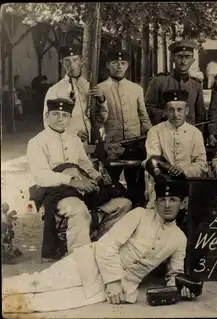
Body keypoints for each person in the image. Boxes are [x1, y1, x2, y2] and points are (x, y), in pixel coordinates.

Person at [2, 180, 197, 313]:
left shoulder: (179, 238)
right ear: (155, 203)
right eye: (162, 200)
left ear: (183, 204)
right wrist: (112, 280)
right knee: (37, 282)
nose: (168, 205)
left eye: (173, 200)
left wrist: (180, 288)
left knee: (46, 304)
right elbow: (107, 245)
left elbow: (174, 273)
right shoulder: (140, 215)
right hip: (90, 263)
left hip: (117, 288)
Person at [27, 98, 132, 259]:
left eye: (65, 115)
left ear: (70, 118)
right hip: (55, 193)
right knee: (80, 211)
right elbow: (42, 176)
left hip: (80, 190)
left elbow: (86, 165)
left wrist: (97, 179)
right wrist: (73, 181)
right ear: (47, 116)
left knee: (123, 204)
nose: (60, 118)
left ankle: (98, 242)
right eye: (55, 114)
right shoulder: (37, 142)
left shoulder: (74, 139)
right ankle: (79, 261)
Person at [98, 49, 152, 207]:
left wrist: (151, 134)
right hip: (112, 146)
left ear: (128, 65)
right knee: (110, 185)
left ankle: (137, 212)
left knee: (137, 185)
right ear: (108, 65)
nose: (119, 66)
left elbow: (143, 116)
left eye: (123, 63)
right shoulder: (100, 89)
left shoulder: (136, 89)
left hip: (135, 145)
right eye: (115, 63)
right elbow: (97, 120)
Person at [144, 89, 208, 206]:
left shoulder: (195, 133)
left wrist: (184, 170)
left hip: (187, 185)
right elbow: (153, 160)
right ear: (165, 111)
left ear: (187, 111)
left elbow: (202, 164)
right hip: (161, 185)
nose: (175, 114)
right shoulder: (155, 131)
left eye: (180, 110)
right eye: (171, 110)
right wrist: (168, 170)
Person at [43, 44, 108, 142]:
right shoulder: (55, 90)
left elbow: (103, 118)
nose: (72, 65)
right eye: (67, 61)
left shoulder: (90, 87)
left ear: (82, 61)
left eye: (75, 60)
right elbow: (48, 122)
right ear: (62, 63)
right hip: (67, 144)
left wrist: (102, 99)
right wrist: (73, 133)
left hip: (92, 142)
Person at [145, 40, 205, 127]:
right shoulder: (159, 81)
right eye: (180, 57)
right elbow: (147, 109)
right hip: (165, 132)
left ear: (193, 60)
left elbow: (200, 116)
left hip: (188, 134)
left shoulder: (196, 85)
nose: (183, 61)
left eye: (187, 57)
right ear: (173, 59)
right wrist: (165, 114)